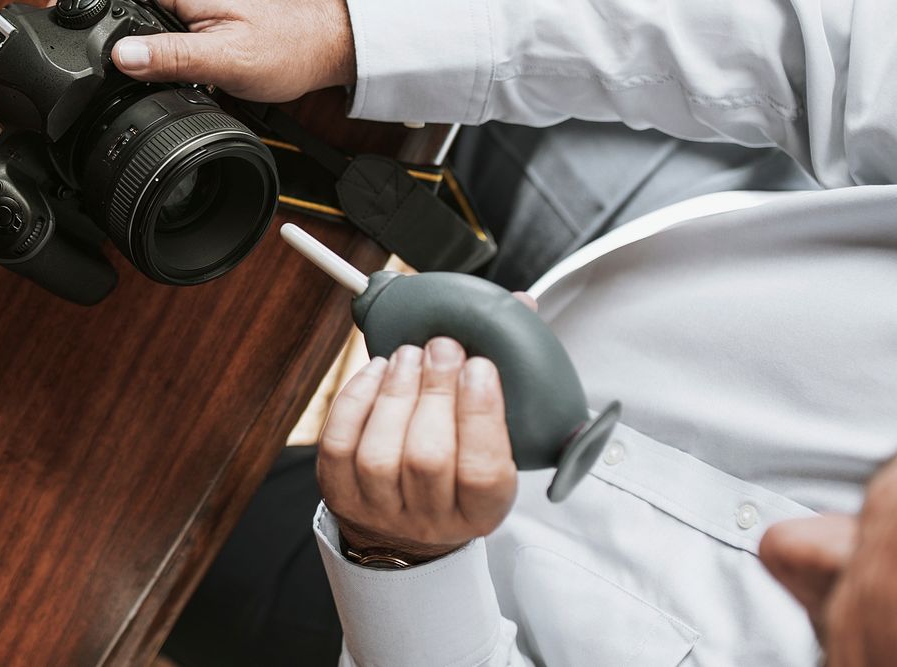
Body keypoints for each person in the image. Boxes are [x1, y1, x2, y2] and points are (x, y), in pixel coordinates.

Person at [112, 1, 897, 664]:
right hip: (664, 237)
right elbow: (815, 47)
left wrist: (398, 559)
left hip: (455, 601)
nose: (793, 547)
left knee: (119, 541)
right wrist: (354, 36)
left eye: (834, 633)